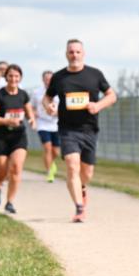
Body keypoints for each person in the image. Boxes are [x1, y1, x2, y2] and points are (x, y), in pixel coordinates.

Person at [43, 39, 117, 222]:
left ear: (83, 53)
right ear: (66, 54)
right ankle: (79, 208)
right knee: (71, 164)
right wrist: (48, 106)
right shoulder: (59, 77)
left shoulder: (94, 74)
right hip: (68, 129)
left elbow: (112, 95)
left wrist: (98, 106)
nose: (74, 55)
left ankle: (82, 188)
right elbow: (47, 97)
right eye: (71, 52)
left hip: (90, 129)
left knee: (87, 173)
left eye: (77, 52)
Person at [0, 64, 36, 213]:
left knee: (16, 169)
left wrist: (32, 120)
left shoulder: (23, 95)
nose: (13, 79)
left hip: (18, 136)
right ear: (6, 77)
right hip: (0, 137)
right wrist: (6, 121)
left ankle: (10, 202)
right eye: (10, 76)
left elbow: (29, 113)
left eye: (16, 76)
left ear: (20, 77)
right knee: (2, 170)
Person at [32, 70, 61, 182]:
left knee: (56, 151)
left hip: (56, 123)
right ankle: (49, 172)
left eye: (50, 79)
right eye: (46, 79)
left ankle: (51, 163)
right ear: (43, 79)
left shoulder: (59, 91)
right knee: (47, 147)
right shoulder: (36, 93)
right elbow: (32, 107)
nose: (48, 81)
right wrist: (34, 114)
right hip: (42, 123)